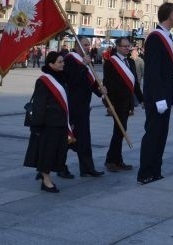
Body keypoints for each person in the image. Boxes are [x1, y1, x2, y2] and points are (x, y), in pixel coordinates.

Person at [137, 2, 173, 184]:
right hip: (156, 98)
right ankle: (145, 173)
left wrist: (172, 93)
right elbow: (153, 71)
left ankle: (156, 170)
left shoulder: (167, 37)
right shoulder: (155, 37)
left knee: (162, 135)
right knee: (153, 134)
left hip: (165, 95)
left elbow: (167, 71)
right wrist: (159, 98)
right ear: (169, 15)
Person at [23, 51, 71, 193]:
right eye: (60, 62)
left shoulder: (62, 77)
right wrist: (37, 126)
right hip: (48, 124)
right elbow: (39, 104)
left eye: (63, 61)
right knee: (48, 152)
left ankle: (44, 172)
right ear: (51, 64)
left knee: (59, 152)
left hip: (61, 122)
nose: (63, 64)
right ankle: (46, 180)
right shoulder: (43, 81)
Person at [63, 38, 106, 178]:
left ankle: (86, 168)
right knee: (69, 139)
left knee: (83, 138)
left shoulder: (84, 60)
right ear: (77, 45)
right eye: (85, 45)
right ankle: (56, 166)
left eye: (89, 45)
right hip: (73, 106)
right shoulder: (70, 59)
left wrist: (101, 91)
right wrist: (82, 65)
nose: (88, 47)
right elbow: (72, 80)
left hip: (83, 106)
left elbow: (90, 82)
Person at [103, 37, 143, 172]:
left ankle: (117, 160)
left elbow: (135, 83)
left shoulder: (131, 62)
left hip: (128, 102)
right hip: (116, 102)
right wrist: (108, 104)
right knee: (119, 131)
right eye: (124, 46)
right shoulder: (110, 63)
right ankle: (111, 160)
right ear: (118, 47)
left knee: (121, 131)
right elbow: (107, 84)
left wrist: (142, 99)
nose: (127, 48)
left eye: (128, 46)